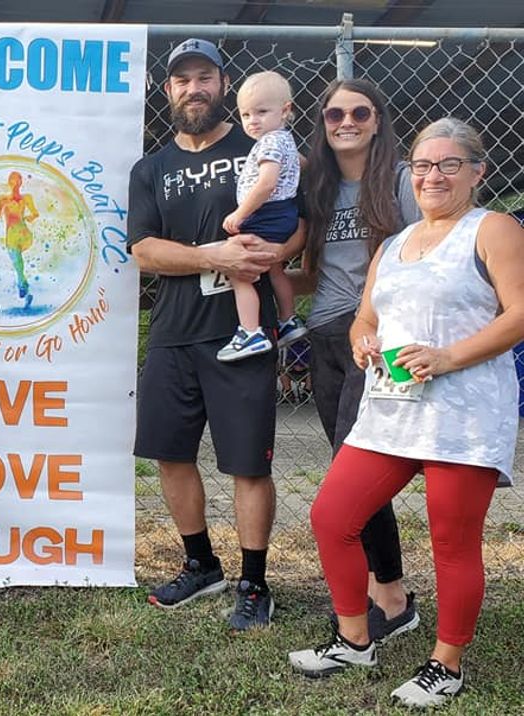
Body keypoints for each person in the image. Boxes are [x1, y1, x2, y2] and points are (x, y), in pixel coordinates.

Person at [289, 118, 524, 708]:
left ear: (477, 172)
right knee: (332, 516)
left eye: (448, 164)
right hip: (391, 410)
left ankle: (446, 664)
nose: (432, 176)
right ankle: (354, 637)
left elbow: (519, 314)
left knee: (452, 540)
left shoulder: (492, 229)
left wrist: (447, 357)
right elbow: (365, 316)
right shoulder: (395, 242)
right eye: (422, 166)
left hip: (462, 416)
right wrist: (364, 338)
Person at [127, 39, 303, 630]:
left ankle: (254, 582)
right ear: (168, 90)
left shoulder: (259, 142)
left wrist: (271, 253)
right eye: (182, 80)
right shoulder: (150, 168)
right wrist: (216, 256)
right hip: (175, 331)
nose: (193, 88)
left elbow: (298, 222)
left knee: (249, 463)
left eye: (205, 77)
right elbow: (145, 251)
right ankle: (201, 564)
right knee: (170, 453)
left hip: (242, 333)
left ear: (223, 85)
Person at [296, 78, 423, 644]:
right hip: (324, 333)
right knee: (348, 469)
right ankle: (387, 592)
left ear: (377, 120)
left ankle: (390, 597)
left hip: (376, 342)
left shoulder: (399, 182)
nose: (345, 122)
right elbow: (310, 272)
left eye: (359, 112)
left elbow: (427, 258)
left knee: (355, 472)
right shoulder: (317, 187)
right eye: (333, 114)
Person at [218, 71, 306, 362]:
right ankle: (288, 319)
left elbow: (266, 184)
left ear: (286, 110)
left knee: (239, 271)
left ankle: (250, 332)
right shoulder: (285, 140)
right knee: (275, 267)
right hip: (283, 214)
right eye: (245, 114)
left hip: (265, 215)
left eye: (261, 111)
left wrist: (240, 214)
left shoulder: (269, 143)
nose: (253, 120)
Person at [0, 170, 40, 308]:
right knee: (18, 264)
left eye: (18, 181)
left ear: (21, 183)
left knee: (17, 262)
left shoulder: (26, 198)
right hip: (11, 234)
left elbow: (35, 213)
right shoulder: (3, 199)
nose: (15, 183)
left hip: (23, 232)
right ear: (8, 182)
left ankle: (23, 286)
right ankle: (25, 289)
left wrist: (31, 217)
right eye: (12, 180)